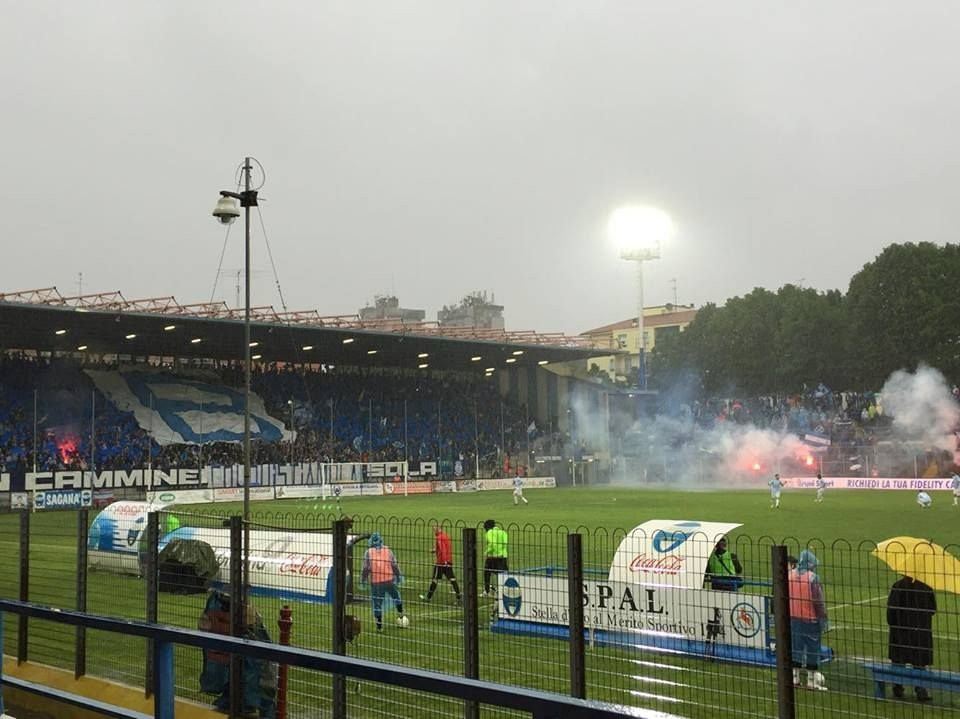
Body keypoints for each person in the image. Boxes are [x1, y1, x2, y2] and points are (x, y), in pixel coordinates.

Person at [887, 575, 936, 701]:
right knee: (919, 662)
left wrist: (895, 625)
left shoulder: (898, 586)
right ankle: (921, 689)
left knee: (898, 660)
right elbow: (932, 610)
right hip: (920, 633)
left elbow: (891, 612)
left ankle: (897, 686)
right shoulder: (926, 587)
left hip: (900, 633)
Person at [788, 550, 828, 691]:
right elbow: (818, 602)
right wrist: (823, 619)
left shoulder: (789, 575)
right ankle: (811, 681)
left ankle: (795, 678)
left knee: (795, 649)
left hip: (793, 618)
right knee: (812, 650)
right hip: (810, 619)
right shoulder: (812, 578)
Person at [360, 532, 409, 632]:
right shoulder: (388, 550)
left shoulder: (368, 552)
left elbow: (366, 568)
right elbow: (394, 565)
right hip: (389, 580)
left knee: (377, 604)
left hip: (376, 582)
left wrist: (363, 580)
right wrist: (398, 576)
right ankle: (401, 615)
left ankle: (379, 626)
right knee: (396, 596)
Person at [420, 523, 462, 605]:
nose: (434, 531)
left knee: (435, 580)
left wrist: (444, 561)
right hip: (448, 561)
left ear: (438, 529)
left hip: (441, 563)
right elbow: (445, 548)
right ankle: (459, 598)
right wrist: (435, 550)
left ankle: (428, 598)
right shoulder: (446, 536)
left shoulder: (439, 537)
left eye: (434, 529)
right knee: (452, 579)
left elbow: (443, 549)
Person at [483, 519, 509, 596]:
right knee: (502, 574)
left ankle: (487, 591)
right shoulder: (503, 532)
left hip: (493, 556)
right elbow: (505, 543)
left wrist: (487, 552)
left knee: (487, 573)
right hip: (503, 556)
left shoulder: (489, 533)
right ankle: (502, 590)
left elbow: (492, 543)